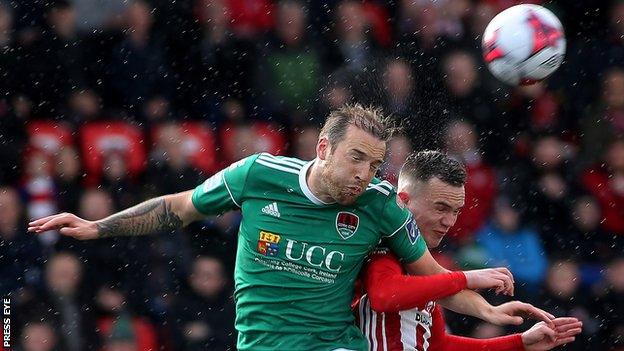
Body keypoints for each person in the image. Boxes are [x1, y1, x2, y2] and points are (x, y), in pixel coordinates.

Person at [29, 104, 549, 350]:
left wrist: (487, 310)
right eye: (356, 159)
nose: (365, 174)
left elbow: (427, 277)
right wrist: (98, 228)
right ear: (323, 149)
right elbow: (179, 208)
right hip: (263, 343)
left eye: (375, 164)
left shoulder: (381, 206)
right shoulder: (258, 174)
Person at [356, 151, 582, 350]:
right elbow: (383, 295)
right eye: (441, 208)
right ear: (403, 201)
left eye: (456, 211)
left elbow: (438, 345)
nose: (449, 221)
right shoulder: (383, 244)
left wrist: (520, 342)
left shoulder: (423, 266)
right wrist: (466, 278)